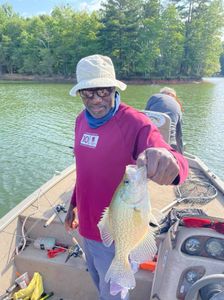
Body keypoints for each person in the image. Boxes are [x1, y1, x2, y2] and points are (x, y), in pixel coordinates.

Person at [65, 54, 188, 300]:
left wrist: (170, 161)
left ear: (113, 87)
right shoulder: (80, 121)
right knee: (99, 281)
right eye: (87, 93)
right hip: (87, 230)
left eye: (102, 91)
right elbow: (84, 170)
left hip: (119, 235)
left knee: (112, 296)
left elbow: (176, 162)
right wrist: (72, 207)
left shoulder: (135, 123)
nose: (96, 100)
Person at [145, 87, 184, 154]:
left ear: (162, 93)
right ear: (173, 96)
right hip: (170, 142)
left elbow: (144, 116)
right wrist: (181, 154)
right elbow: (179, 135)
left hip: (150, 138)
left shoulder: (155, 96)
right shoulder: (178, 106)